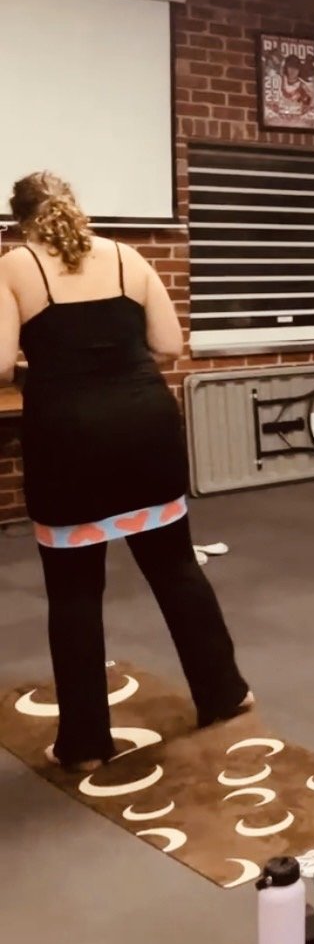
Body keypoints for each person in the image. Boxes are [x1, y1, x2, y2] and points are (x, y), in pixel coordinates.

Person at [0, 171, 252, 771]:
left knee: (75, 589)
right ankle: (224, 693)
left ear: (18, 218)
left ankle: (86, 743)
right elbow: (167, 344)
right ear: (75, 207)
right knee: (175, 567)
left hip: (70, 436)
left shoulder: (15, 266)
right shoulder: (128, 257)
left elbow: (2, 368)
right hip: (145, 427)